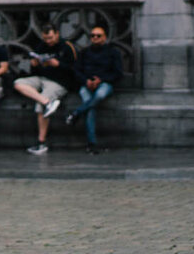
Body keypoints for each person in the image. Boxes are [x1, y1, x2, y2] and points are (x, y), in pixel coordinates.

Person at [12, 25, 77, 156]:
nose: (48, 41)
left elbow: (75, 69)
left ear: (57, 34)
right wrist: (34, 64)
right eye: (45, 38)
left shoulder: (67, 47)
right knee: (18, 83)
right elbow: (35, 69)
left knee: (39, 106)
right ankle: (47, 102)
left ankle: (41, 142)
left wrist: (58, 64)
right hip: (42, 78)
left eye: (51, 38)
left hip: (59, 82)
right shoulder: (41, 46)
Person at [61, 21, 126, 153]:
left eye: (98, 36)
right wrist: (86, 81)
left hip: (104, 83)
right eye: (92, 36)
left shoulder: (113, 52)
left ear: (105, 37)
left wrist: (101, 79)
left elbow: (118, 73)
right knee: (90, 107)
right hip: (87, 84)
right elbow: (76, 71)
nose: (95, 38)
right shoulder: (84, 52)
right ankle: (91, 143)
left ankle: (76, 113)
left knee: (100, 95)